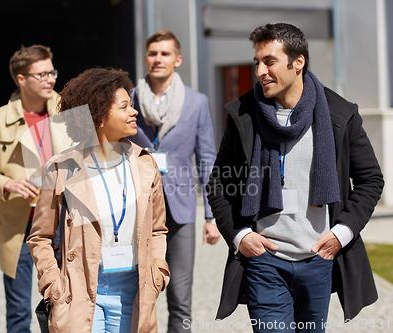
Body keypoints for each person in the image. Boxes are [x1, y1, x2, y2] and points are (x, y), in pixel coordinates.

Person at [207, 23, 384, 332]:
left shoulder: (339, 114)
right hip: (264, 260)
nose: (260, 71)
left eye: (269, 61)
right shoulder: (243, 115)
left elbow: (370, 180)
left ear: (298, 62)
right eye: (257, 62)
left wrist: (341, 234)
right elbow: (219, 184)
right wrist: (240, 236)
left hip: (318, 258)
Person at [27, 68, 170, 333]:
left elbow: (158, 229)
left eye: (132, 105)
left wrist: (157, 274)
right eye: (124, 106)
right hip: (78, 289)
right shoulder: (62, 168)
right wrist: (53, 286)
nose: (133, 112)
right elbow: (40, 237)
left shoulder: (145, 164)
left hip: (133, 288)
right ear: (98, 115)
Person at [0, 45, 73, 333]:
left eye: (52, 72)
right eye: (42, 74)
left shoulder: (68, 109)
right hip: (21, 229)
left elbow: (89, 159)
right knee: (17, 315)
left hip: (64, 224)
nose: (50, 79)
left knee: (67, 306)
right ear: (21, 79)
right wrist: (7, 183)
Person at [128, 30, 220, 332]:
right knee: (139, 294)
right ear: (146, 57)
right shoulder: (127, 99)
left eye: (165, 54)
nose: (158, 59)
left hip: (180, 210)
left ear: (177, 60)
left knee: (181, 298)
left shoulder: (196, 102)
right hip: (136, 209)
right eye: (153, 53)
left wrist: (210, 215)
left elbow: (207, 159)